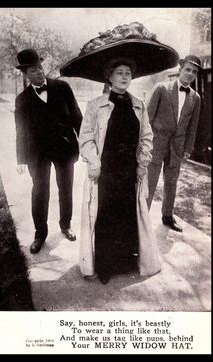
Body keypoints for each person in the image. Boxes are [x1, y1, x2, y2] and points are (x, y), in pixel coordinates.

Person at [79, 57, 160, 284]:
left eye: (128, 73)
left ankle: (125, 262)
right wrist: (94, 162)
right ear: (110, 77)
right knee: (106, 215)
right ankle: (106, 266)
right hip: (105, 170)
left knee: (127, 214)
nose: (125, 77)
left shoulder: (138, 104)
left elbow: (146, 136)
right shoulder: (95, 105)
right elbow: (86, 138)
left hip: (129, 169)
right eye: (120, 72)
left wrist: (143, 163)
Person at [14, 49, 82, 254]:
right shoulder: (22, 99)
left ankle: (65, 225)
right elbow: (21, 131)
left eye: (40, 67)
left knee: (66, 188)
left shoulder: (62, 87)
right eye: (34, 70)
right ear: (25, 73)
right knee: (40, 192)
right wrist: (20, 159)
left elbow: (77, 117)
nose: (39, 72)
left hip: (64, 148)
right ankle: (40, 234)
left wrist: (87, 143)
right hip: (38, 153)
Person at [146, 55, 202, 232]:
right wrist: (144, 143)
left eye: (194, 72)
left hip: (176, 147)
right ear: (180, 70)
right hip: (156, 144)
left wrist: (188, 148)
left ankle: (167, 216)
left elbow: (193, 126)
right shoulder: (161, 88)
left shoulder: (195, 98)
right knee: (149, 182)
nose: (190, 74)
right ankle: (141, 218)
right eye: (187, 69)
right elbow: (146, 118)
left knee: (171, 182)